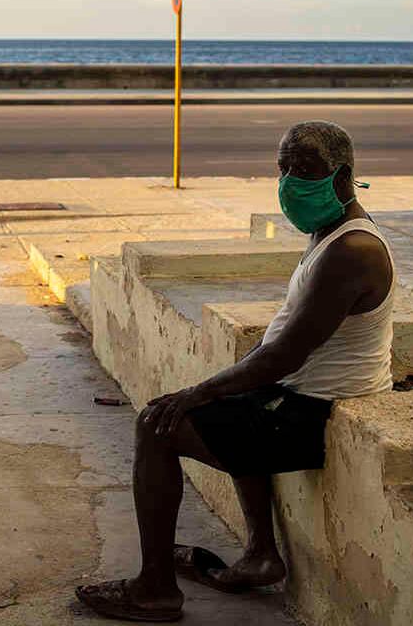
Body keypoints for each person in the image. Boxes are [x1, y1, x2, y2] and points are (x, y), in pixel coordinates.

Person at [76, 120, 396, 622]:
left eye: (306, 169)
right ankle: (261, 555)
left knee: (156, 426)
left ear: (342, 177)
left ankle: (154, 590)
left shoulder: (352, 251)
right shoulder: (330, 232)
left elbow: (283, 358)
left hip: (315, 413)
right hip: (299, 395)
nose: (291, 181)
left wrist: (194, 393)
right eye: (284, 168)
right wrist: (216, 391)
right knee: (234, 401)